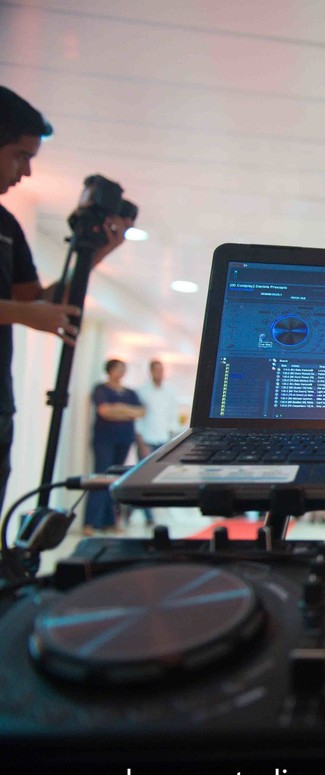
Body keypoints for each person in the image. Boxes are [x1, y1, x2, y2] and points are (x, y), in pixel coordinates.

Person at [0, 86, 130, 514]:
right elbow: (27, 309)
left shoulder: (8, 226)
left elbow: (37, 300)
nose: (26, 172)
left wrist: (97, 254)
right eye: (20, 156)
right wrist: (23, 313)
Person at [82, 359, 144, 536]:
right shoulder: (101, 389)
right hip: (104, 440)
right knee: (100, 477)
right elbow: (105, 412)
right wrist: (126, 412)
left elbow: (141, 411)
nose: (120, 372)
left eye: (123, 369)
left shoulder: (130, 392)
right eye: (117, 369)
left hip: (124, 439)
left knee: (115, 479)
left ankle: (110, 521)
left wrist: (119, 408)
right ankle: (91, 522)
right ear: (109, 370)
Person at [131, 359, 180, 524]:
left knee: (162, 477)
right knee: (144, 477)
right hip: (147, 439)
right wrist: (141, 442)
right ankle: (146, 514)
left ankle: (157, 512)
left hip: (164, 439)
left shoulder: (170, 391)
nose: (159, 373)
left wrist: (172, 440)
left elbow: (172, 416)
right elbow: (138, 419)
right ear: (150, 371)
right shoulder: (142, 391)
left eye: (161, 369)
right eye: (156, 370)